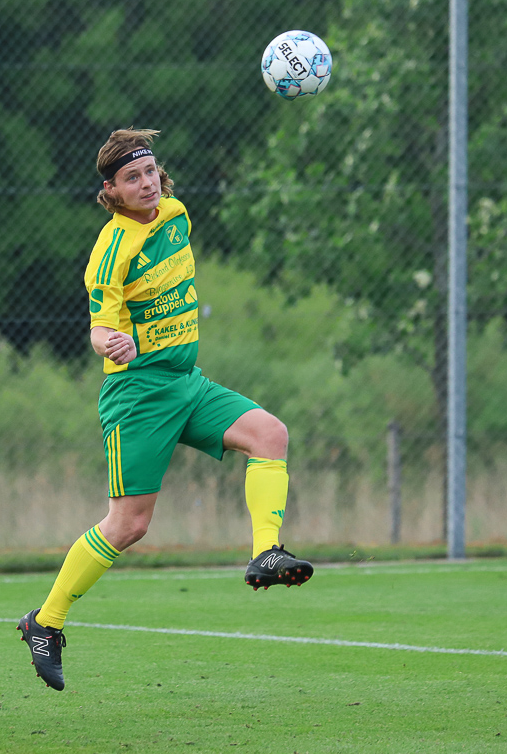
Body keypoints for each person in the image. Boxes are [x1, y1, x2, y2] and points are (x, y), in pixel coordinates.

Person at [17, 128, 313, 691]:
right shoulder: (111, 249)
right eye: (132, 178)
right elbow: (98, 328)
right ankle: (45, 622)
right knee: (129, 525)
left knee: (270, 434)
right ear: (111, 191)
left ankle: (266, 554)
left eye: (150, 171)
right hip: (138, 395)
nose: (147, 183)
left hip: (185, 383)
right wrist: (112, 342)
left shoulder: (176, 214)